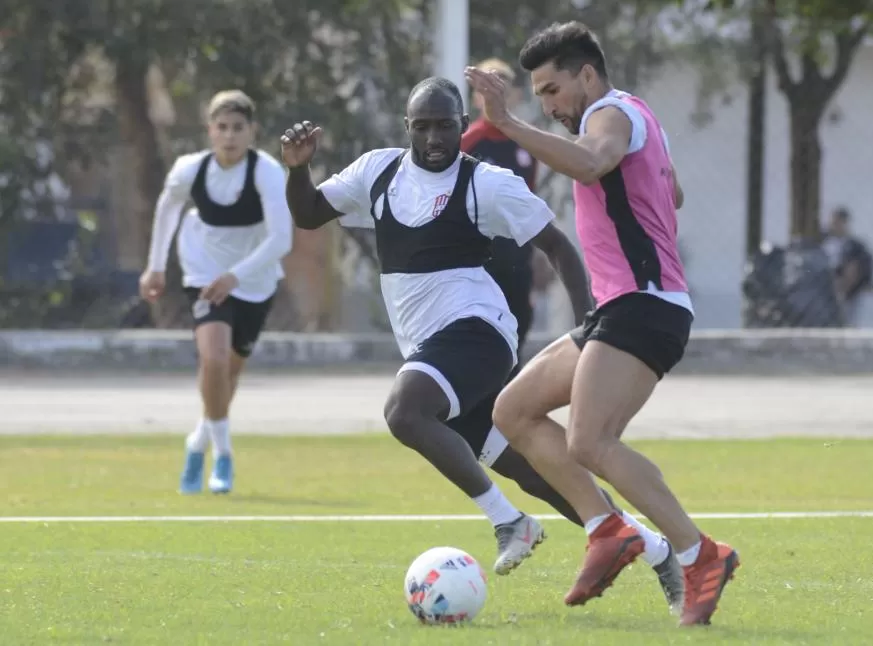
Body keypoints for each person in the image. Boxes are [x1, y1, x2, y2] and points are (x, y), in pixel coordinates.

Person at [280, 78, 683, 606]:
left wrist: (589, 327)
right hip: (430, 349)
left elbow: (558, 248)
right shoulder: (376, 171)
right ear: (407, 128)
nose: (433, 138)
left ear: (462, 126)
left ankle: (509, 522)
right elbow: (308, 213)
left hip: (479, 331)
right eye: (421, 126)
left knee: (405, 412)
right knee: (538, 472)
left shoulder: (484, 183)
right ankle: (656, 551)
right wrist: (296, 167)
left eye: (445, 125)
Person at [466, 22, 739, 626]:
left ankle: (700, 553)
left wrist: (507, 123)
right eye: (538, 95)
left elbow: (593, 164)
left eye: (553, 90)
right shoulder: (636, 118)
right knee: (512, 411)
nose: (549, 106)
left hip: (646, 306)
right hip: (619, 306)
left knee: (591, 441)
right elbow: (675, 195)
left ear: (587, 75)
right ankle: (608, 527)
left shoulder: (612, 113)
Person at [140, 90, 293, 496]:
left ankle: (197, 442)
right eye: (221, 127)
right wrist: (155, 265)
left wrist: (236, 277)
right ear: (209, 130)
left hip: (255, 280)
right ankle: (223, 456)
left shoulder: (267, 171)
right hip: (203, 270)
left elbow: (281, 239)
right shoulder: (190, 169)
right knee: (213, 357)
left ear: (252, 132)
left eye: (238, 128)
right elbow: (167, 207)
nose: (229, 136)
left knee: (229, 372)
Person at [462, 58, 541, 361]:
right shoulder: (466, 144)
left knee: (517, 331)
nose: (494, 97)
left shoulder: (528, 145)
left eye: (502, 89)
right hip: (478, 263)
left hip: (516, 261)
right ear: (476, 97)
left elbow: (529, 205)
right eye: (486, 89)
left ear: (515, 95)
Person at [822, 207, 873, 326]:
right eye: (834, 222)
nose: (835, 226)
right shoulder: (822, 242)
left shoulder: (854, 247)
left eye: (839, 223)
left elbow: (863, 267)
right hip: (825, 288)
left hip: (847, 293)